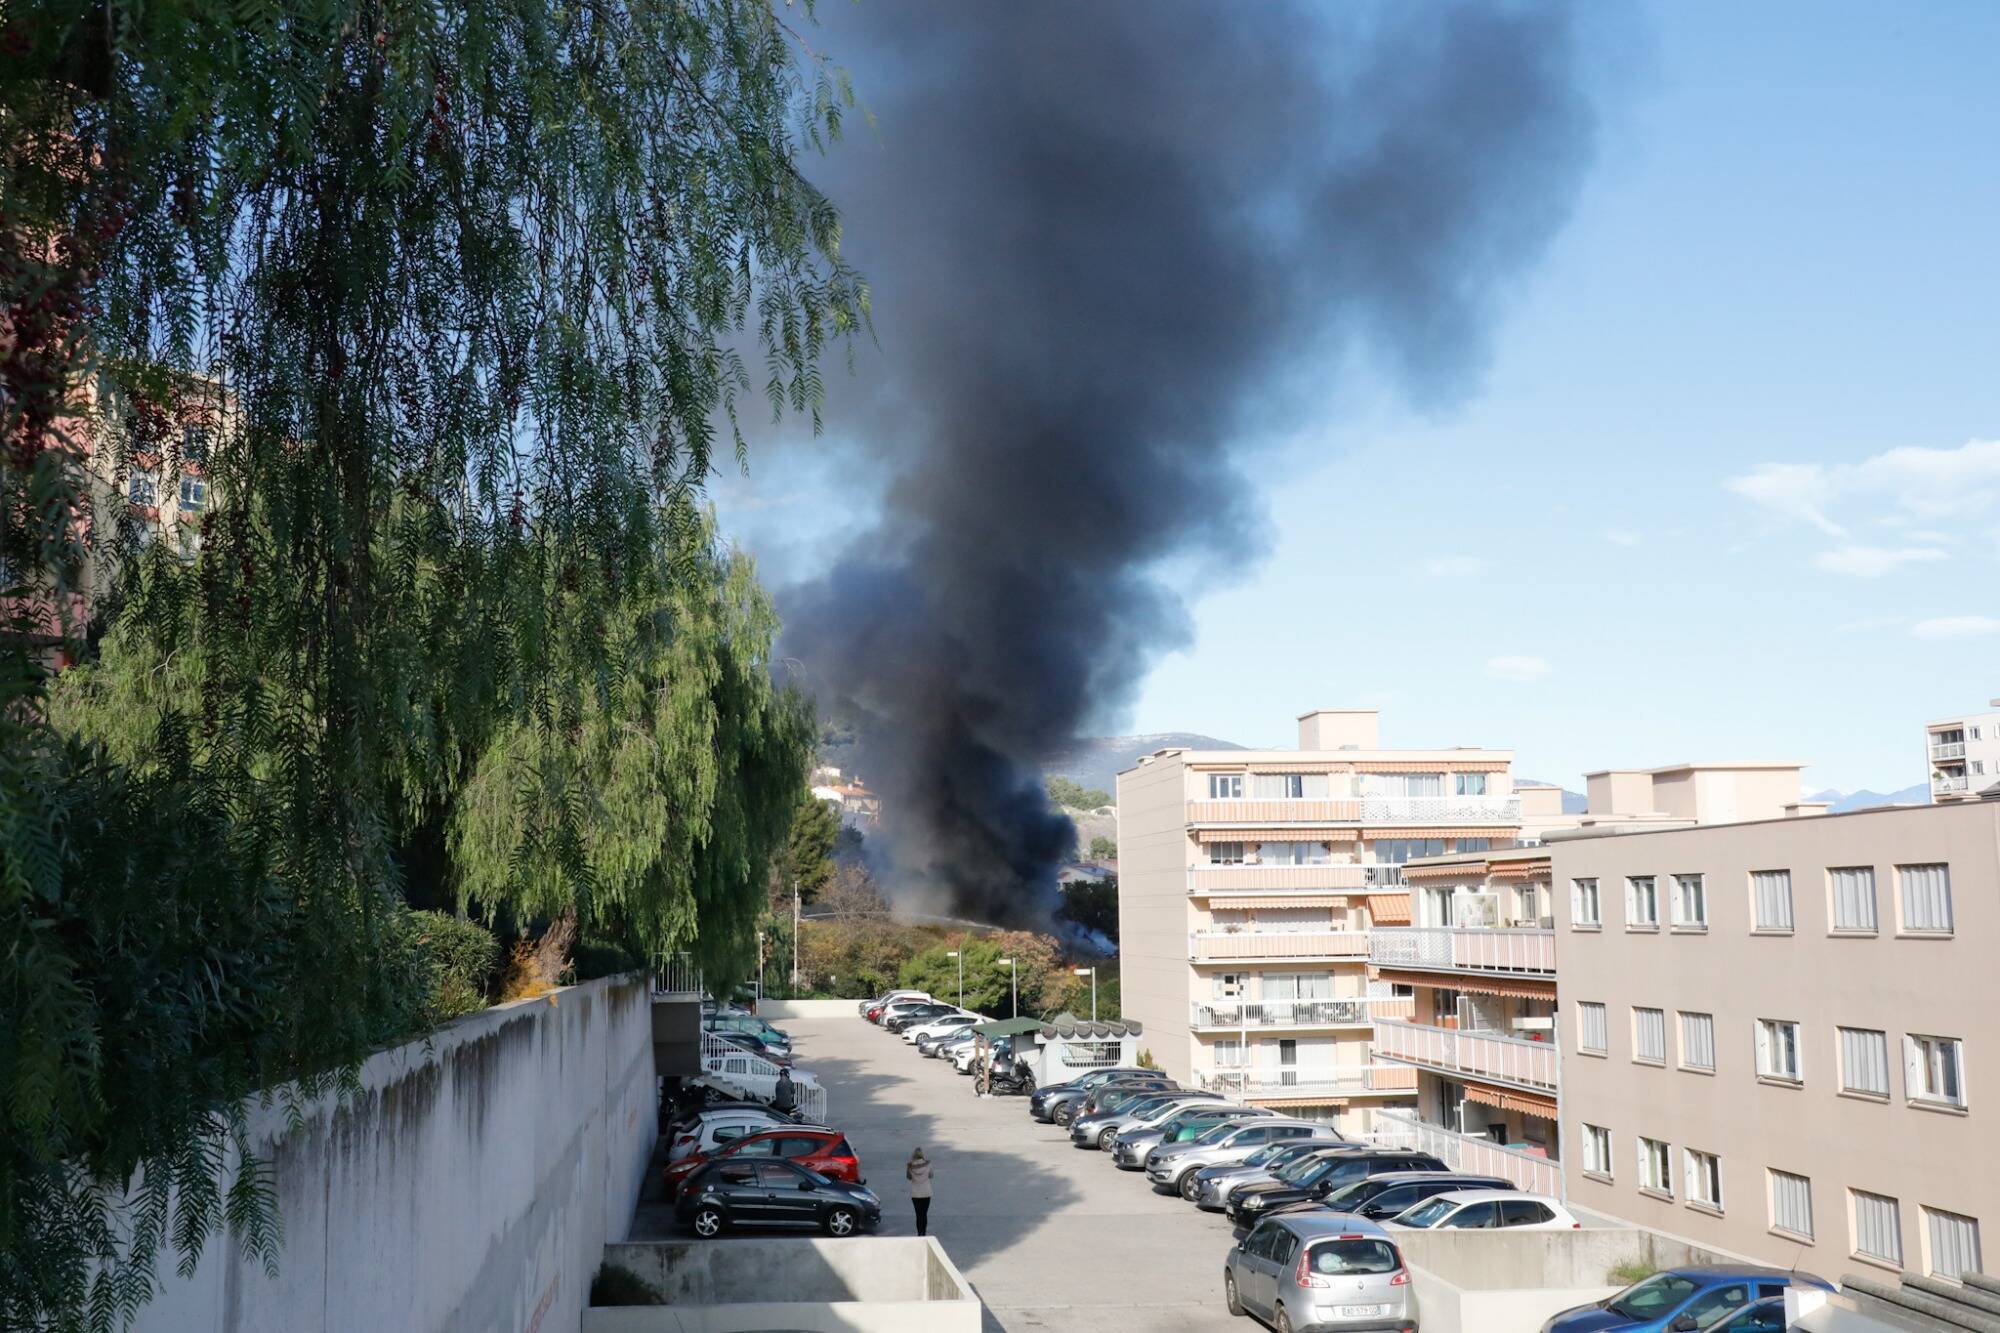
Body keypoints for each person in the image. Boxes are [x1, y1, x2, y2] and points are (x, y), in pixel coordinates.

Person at [906, 1148, 933, 1236]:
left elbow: (909, 1177)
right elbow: (931, 1175)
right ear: (922, 1155)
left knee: (918, 1215)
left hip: (915, 1194)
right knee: (924, 1214)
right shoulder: (928, 1164)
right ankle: (924, 1232)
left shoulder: (910, 1166)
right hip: (926, 1193)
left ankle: (919, 1233)